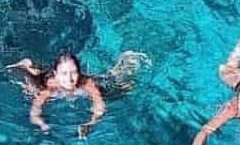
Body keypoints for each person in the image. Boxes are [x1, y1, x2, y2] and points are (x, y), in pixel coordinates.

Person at [8, 50, 147, 138]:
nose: (70, 79)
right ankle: (26, 66)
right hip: (45, 80)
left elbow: (99, 105)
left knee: (114, 89)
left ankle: (124, 62)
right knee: (31, 88)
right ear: (56, 74)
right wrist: (41, 124)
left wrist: (90, 123)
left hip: (90, 83)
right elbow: (35, 109)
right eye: (64, 74)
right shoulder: (50, 87)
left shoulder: (86, 83)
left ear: (79, 73)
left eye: (74, 73)